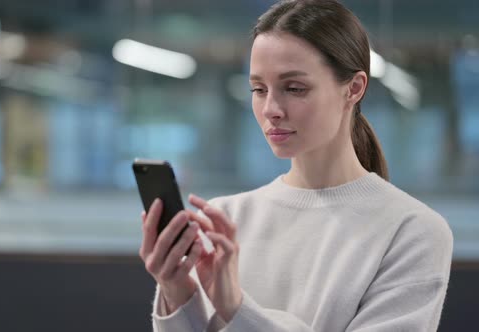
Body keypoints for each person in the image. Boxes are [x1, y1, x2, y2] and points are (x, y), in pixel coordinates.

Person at [138, 0, 453, 331]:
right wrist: (178, 295)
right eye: (259, 89)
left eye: (294, 88)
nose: (271, 108)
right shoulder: (225, 221)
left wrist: (237, 309)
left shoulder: (412, 232)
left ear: (354, 89)